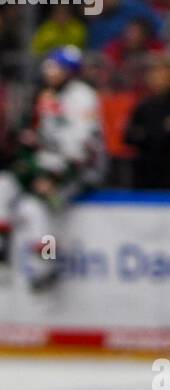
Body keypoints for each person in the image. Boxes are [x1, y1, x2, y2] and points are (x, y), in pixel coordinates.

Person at [0, 46, 104, 290]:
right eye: (49, 67)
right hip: (46, 163)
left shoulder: (83, 96)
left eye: (56, 68)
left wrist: (55, 176)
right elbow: (36, 137)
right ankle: (3, 251)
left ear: (70, 71)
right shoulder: (46, 95)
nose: (50, 72)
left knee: (35, 206)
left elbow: (85, 148)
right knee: (4, 185)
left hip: (79, 171)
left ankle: (45, 267)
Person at [123, 60, 170, 190]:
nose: (160, 80)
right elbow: (129, 136)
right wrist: (159, 132)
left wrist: (147, 134)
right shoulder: (143, 106)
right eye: (156, 75)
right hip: (145, 172)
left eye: (165, 76)